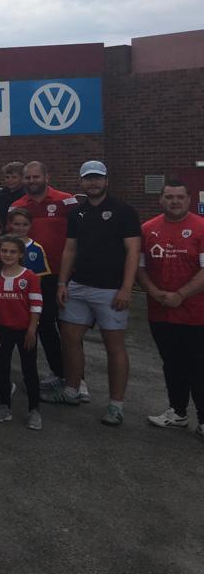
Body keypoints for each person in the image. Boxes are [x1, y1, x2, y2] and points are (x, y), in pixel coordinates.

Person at [52, 161, 141, 426]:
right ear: (81, 182)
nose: (93, 183)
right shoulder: (77, 213)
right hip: (78, 286)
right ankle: (71, 390)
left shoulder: (124, 211)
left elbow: (133, 252)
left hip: (111, 290)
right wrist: (62, 283)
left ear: (106, 180)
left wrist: (127, 288)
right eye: (88, 179)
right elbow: (70, 250)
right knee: (69, 339)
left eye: (97, 179)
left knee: (114, 347)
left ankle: (116, 405)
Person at [138, 178, 204, 438]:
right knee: (172, 364)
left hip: (195, 313)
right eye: (169, 197)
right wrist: (154, 293)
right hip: (160, 312)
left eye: (179, 197)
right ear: (161, 199)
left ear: (188, 200)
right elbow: (140, 267)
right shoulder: (148, 229)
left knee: (198, 365)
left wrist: (181, 294)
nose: (174, 201)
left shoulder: (201, 228)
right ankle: (177, 412)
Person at [9, 160, 78, 393]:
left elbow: (77, 236)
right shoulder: (17, 205)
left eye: (36, 177)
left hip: (61, 276)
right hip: (30, 277)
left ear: (46, 177)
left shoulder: (66, 200)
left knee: (68, 329)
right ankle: (58, 372)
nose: (31, 181)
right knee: (42, 327)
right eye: (27, 178)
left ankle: (76, 377)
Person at [0, 234, 43, 430]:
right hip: (3, 330)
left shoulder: (29, 277)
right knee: (2, 368)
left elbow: (36, 306)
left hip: (25, 331)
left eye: (12, 251)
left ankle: (34, 410)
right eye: (4, 251)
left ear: (20, 254)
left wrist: (31, 330)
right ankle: (4, 405)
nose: (8, 255)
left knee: (29, 370)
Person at [7, 208, 50, 278]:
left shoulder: (37, 248)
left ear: (30, 225)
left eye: (25, 225)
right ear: (10, 224)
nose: (21, 228)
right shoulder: (1, 245)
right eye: (16, 224)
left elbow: (38, 276)